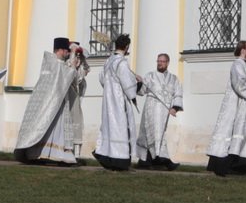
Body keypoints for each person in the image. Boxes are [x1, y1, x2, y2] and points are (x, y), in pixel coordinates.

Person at [14, 37, 88, 164]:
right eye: (67, 51)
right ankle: (48, 154)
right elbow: (68, 76)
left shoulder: (52, 62)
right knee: (51, 128)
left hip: (57, 102)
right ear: (61, 50)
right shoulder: (55, 63)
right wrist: (73, 64)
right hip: (53, 104)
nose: (68, 53)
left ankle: (48, 154)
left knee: (53, 128)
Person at [206, 38, 246, 177]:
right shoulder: (237, 64)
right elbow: (239, 84)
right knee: (238, 135)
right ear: (243, 50)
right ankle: (224, 167)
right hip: (239, 107)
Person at [94, 34, 140, 171]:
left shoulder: (108, 61)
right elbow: (128, 84)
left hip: (108, 101)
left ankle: (108, 158)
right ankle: (121, 162)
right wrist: (139, 84)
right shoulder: (122, 62)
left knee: (110, 129)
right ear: (126, 47)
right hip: (119, 102)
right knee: (121, 129)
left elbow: (102, 79)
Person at [135, 52, 184, 169]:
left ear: (167, 63)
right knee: (150, 133)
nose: (160, 63)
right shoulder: (150, 75)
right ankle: (155, 160)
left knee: (160, 134)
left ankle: (154, 160)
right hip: (151, 109)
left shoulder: (174, 79)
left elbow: (178, 94)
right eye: (158, 61)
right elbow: (141, 92)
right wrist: (140, 82)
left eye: (162, 61)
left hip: (164, 111)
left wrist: (175, 108)